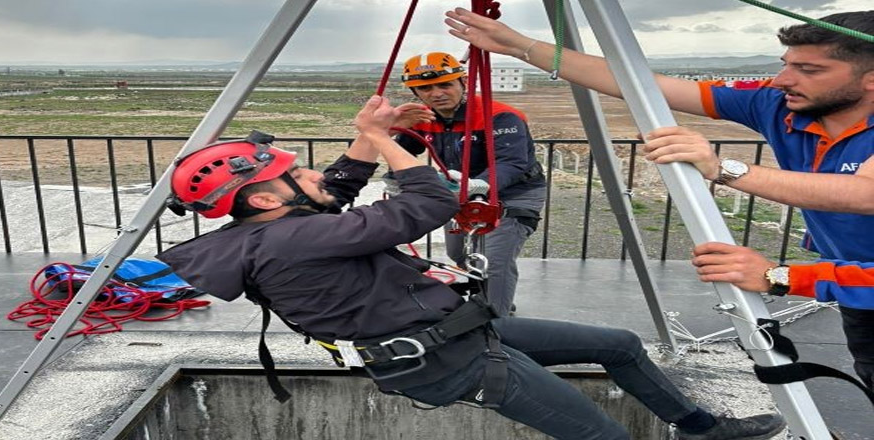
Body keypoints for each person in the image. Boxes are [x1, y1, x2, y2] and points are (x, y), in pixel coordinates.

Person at [158, 95, 785, 440]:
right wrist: (383, 141)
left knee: (618, 345)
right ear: (268, 197)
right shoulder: (296, 240)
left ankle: (701, 428)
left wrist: (365, 136)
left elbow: (338, 188)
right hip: (443, 360)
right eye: (298, 173)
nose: (317, 173)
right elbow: (429, 202)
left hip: (460, 331)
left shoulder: (273, 227)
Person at [444, 8, 874, 390]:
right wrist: (520, 46)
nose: (783, 79)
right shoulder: (777, 103)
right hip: (856, 285)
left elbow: (864, 194)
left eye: (809, 70)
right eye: (785, 65)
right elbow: (640, 84)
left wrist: (725, 173)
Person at [391, 51, 546, 316]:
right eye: (425, 88)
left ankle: (497, 322)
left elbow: (512, 162)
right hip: (462, 192)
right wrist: (395, 176)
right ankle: (495, 300)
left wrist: (480, 184)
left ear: (462, 83)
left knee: (494, 261)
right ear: (415, 92)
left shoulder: (500, 116)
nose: (436, 93)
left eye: (445, 84)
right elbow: (404, 153)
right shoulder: (424, 119)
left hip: (513, 194)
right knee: (460, 254)